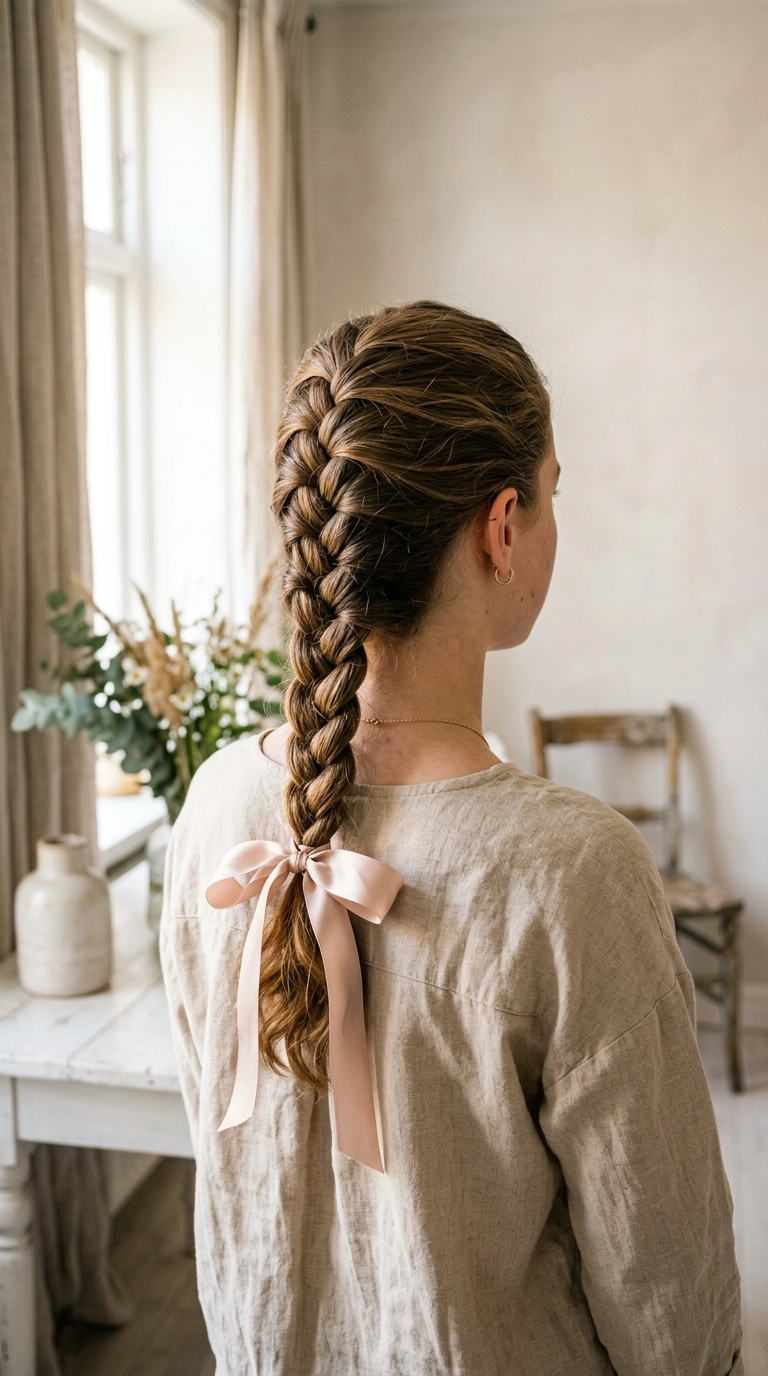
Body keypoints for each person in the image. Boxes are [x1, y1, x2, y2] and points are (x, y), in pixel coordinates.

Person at [161, 301, 742, 1375]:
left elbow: (228, 1160)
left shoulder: (214, 811)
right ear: (503, 524)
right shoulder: (573, 871)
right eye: (555, 492)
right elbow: (670, 1302)